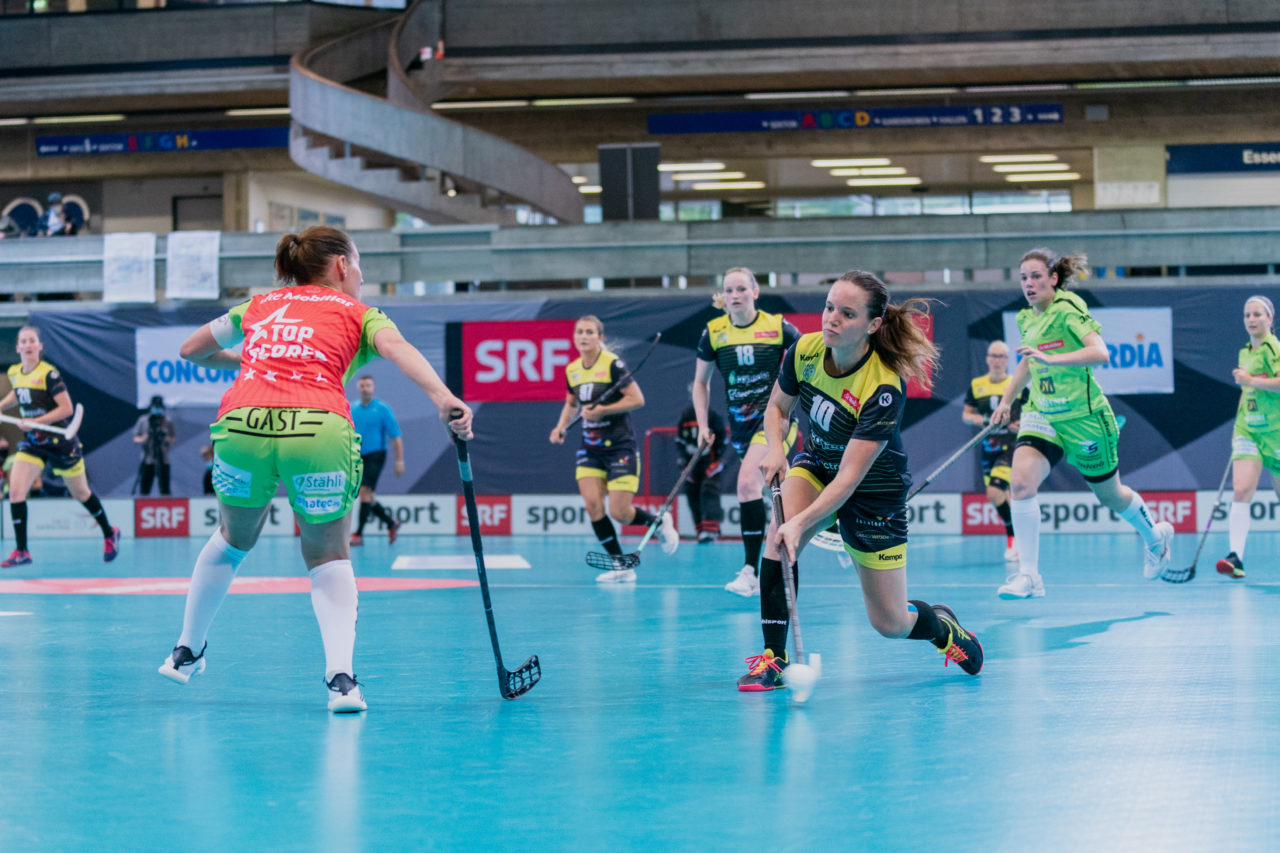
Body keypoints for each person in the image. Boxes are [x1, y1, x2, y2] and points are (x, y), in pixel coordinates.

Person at [157, 226, 473, 714]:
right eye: (360, 264)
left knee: (231, 538)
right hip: (317, 429)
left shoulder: (260, 305)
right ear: (342, 266)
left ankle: (185, 651)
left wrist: (251, 365)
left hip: (243, 426)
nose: (362, 276)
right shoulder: (360, 312)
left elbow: (191, 350)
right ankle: (341, 682)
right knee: (328, 554)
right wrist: (444, 398)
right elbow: (399, 350)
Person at [739, 271, 983, 692]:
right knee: (776, 539)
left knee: (889, 623)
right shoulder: (805, 350)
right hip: (817, 465)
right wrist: (775, 448)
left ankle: (946, 631)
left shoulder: (883, 385)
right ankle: (773, 658)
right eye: (830, 306)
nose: (831, 318)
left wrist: (799, 523)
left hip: (873, 493)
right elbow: (777, 409)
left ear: (872, 325)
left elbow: (850, 480)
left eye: (846, 313)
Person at [990, 248, 1173, 599]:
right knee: (1022, 484)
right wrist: (1007, 400)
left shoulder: (1068, 308)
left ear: (1053, 278)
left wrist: (1051, 357)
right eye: (1024, 278)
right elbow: (1029, 363)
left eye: (1036, 276)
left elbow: (1100, 353)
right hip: (1042, 412)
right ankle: (1029, 576)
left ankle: (1155, 536)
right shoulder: (1026, 319)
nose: (1029, 284)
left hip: (1084, 419)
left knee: (1111, 496)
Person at [692, 267, 801, 597]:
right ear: (723, 296)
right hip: (740, 427)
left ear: (755, 292)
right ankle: (827, 523)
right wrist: (702, 424)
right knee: (774, 493)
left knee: (745, 484)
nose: (735, 295)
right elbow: (700, 382)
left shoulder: (777, 327)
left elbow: (810, 357)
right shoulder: (714, 333)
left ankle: (750, 571)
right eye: (729, 290)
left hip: (775, 421)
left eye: (741, 288)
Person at [549, 315, 677, 583]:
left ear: (600, 337)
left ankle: (658, 522)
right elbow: (571, 402)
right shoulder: (572, 369)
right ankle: (621, 565)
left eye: (589, 332)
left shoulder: (613, 366)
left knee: (620, 512)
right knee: (593, 506)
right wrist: (561, 426)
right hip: (590, 449)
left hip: (619, 446)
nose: (583, 336)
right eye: (579, 332)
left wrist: (603, 410)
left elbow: (637, 399)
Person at [0, 325, 120, 568]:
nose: (28, 345)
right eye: (23, 341)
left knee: (81, 494)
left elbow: (66, 409)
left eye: (32, 340)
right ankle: (22, 551)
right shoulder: (14, 372)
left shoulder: (49, 374)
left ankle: (109, 532)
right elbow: (18, 393)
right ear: (18, 347)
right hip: (34, 443)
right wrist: (2, 405)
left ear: (39, 346)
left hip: (61, 443)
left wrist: (35, 421)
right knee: (15, 492)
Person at [1217, 295, 1280, 579]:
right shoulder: (1245, 352)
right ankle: (1236, 558)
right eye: (1247, 315)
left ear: (1270, 318)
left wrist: (1250, 380)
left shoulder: (1273, 348)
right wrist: (1238, 422)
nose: (1251, 320)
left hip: (1276, 431)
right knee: (1241, 490)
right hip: (1248, 429)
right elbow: (1247, 391)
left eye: (1257, 315)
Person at [962, 340, 1029, 562]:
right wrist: (983, 419)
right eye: (994, 356)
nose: (998, 360)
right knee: (1002, 496)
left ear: (1008, 361)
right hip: (988, 445)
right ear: (988, 359)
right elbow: (967, 414)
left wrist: (1021, 423)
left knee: (994, 492)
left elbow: (1032, 411)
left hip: (1011, 446)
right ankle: (1018, 540)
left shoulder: (1017, 384)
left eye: (1002, 357)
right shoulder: (977, 384)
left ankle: (1012, 537)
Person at [349, 375, 403, 546]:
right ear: (358, 388)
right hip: (357, 456)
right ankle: (391, 523)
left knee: (364, 491)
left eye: (368, 385)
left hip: (376, 455)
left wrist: (399, 461)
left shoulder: (382, 409)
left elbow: (395, 437)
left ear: (373, 388)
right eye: (362, 385)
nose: (365, 388)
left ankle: (358, 534)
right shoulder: (352, 408)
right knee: (368, 496)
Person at [675, 402, 727, 543]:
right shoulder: (685, 416)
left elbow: (722, 439)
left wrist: (717, 459)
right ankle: (699, 529)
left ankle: (711, 529)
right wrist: (684, 463)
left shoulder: (713, 416)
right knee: (692, 491)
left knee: (708, 490)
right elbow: (680, 441)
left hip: (710, 462)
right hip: (692, 463)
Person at [133, 394, 176, 495]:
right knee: (145, 487)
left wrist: (164, 437)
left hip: (163, 458)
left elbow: (173, 439)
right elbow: (135, 438)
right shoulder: (143, 420)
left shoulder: (167, 421)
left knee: (165, 489)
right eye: (155, 407)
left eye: (159, 407)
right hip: (148, 457)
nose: (157, 409)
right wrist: (145, 438)